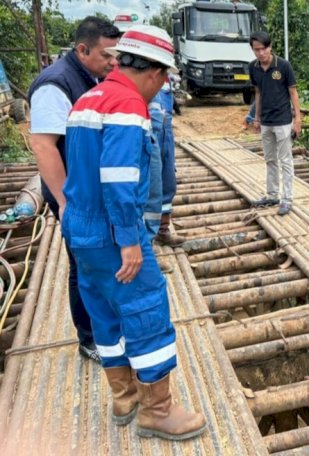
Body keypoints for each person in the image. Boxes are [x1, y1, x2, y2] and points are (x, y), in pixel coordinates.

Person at [61, 25, 206, 440]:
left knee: (104, 310)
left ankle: (123, 397)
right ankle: (157, 411)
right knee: (145, 309)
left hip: (81, 227)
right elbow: (119, 177)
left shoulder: (89, 98)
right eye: (165, 79)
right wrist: (129, 239)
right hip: (111, 229)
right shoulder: (127, 103)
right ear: (157, 73)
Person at [28, 16, 121, 363]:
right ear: (82, 50)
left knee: (98, 258)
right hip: (74, 197)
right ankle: (89, 338)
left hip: (90, 192)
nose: (114, 64)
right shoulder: (56, 84)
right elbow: (44, 147)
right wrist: (66, 204)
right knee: (82, 263)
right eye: (106, 56)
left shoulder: (91, 76)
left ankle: (105, 324)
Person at [248, 31, 302, 216]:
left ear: (270, 47)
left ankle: (287, 199)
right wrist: (256, 117)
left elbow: (293, 93)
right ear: (253, 50)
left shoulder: (283, 66)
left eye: (264, 48)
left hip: (283, 120)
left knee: (285, 160)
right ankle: (272, 194)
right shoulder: (253, 68)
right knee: (270, 159)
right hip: (266, 121)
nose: (261, 53)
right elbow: (258, 93)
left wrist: (298, 119)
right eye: (257, 50)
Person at [144, 77, 184, 246]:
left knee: (168, 183)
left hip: (165, 133)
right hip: (148, 132)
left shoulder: (166, 78)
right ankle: (147, 243)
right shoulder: (143, 74)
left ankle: (163, 230)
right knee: (149, 187)